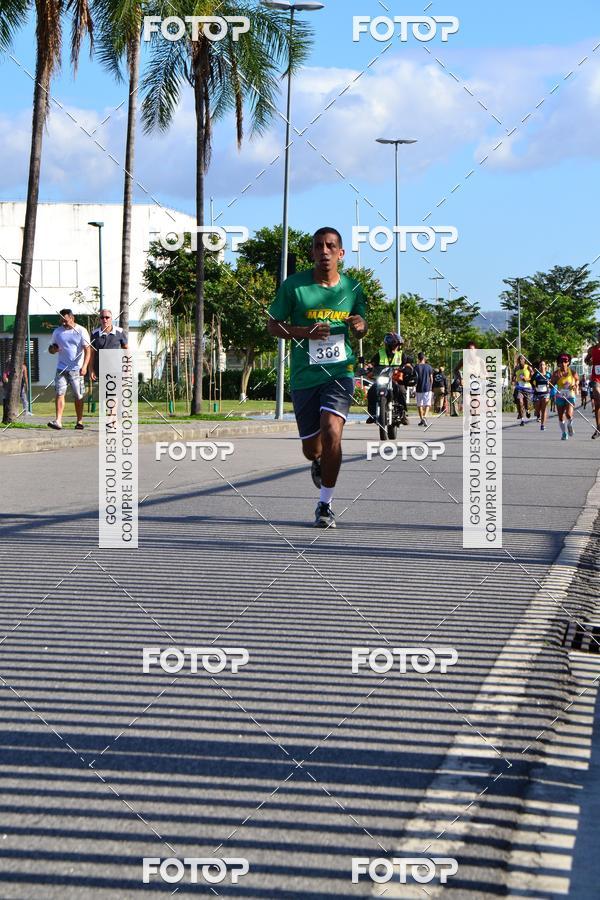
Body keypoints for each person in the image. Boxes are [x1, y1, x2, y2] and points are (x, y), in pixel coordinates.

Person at [268, 227, 367, 528]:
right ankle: (318, 461)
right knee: (312, 447)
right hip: (303, 375)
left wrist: (360, 325)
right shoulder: (294, 287)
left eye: (331, 246)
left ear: (341, 253)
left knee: (332, 431)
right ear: (312, 252)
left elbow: (362, 323)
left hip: (340, 371)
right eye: (318, 246)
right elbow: (273, 326)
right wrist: (304, 332)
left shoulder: (352, 288)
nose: (324, 251)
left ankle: (325, 504)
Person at [47, 308, 91, 430]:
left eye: (66, 320)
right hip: (61, 368)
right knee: (60, 393)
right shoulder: (57, 332)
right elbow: (51, 349)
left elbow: (88, 350)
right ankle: (58, 421)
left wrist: (85, 366)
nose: (64, 323)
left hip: (77, 369)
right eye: (62, 321)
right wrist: (54, 350)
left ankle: (79, 421)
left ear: (72, 318)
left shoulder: (81, 331)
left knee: (78, 395)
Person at [366, 332, 408, 426]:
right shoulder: (380, 354)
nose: (396, 347)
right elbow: (371, 363)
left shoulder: (401, 355)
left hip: (395, 380)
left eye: (397, 345)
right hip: (382, 379)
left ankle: (403, 413)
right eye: (394, 345)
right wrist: (367, 367)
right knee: (371, 392)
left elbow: (407, 364)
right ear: (388, 345)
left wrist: (408, 368)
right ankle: (372, 414)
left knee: (402, 391)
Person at [90, 309, 129, 379]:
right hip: (99, 371)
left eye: (107, 317)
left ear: (111, 319)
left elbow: (126, 350)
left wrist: (126, 367)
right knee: (100, 390)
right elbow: (92, 353)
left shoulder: (119, 331)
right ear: (99, 319)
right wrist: (91, 369)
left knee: (116, 390)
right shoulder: (94, 334)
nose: (104, 319)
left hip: (116, 370)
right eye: (102, 317)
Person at [550, 352, 579, 440]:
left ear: (568, 362)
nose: (563, 363)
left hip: (570, 395)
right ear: (559, 363)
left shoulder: (572, 372)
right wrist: (556, 379)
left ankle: (570, 425)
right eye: (561, 362)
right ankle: (563, 433)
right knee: (560, 415)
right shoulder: (556, 373)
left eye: (565, 361)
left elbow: (577, 380)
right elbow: (551, 385)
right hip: (560, 396)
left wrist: (575, 385)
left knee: (569, 415)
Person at [584, 328, 600, 438]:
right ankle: (598, 428)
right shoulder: (592, 349)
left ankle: (598, 429)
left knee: (598, 405)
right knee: (598, 398)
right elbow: (586, 360)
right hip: (596, 378)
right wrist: (590, 362)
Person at [512, 354, 533, 425]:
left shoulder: (528, 367)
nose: (521, 360)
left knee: (527, 404)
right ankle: (522, 420)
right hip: (519, 388)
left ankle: (528, 411)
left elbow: (533, 378)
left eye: (522, 359)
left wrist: (526, 379)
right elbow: (513, 376)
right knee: (520, 402)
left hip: (527, 388)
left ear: (525, 360)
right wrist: (513, 380)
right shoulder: (516, 368)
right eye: (519, 359)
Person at [413, 352, 433, 426]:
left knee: (419, 405)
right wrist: (431, 386)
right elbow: (431, 378)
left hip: (419, 388)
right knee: (427, 404)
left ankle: (421, 419)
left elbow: (414, 378)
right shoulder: (429, 367)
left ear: (418, 358)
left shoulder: (416, 367)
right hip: (427, 388)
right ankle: (425, 417)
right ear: (424, 358)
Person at [531, 360, 551, 431]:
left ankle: (542, 425)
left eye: (543, 365)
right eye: (540, 365)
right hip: (537, 393)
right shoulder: (536, 374)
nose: (542, 366)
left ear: (545, 366)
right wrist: (534, 387)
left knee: (544, 408)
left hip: (546, 393)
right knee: (537, 411)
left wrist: (549, 383)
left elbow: (552, 382)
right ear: (539, 367)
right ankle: (537, 413)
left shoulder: (548, 374)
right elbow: (531, 381)